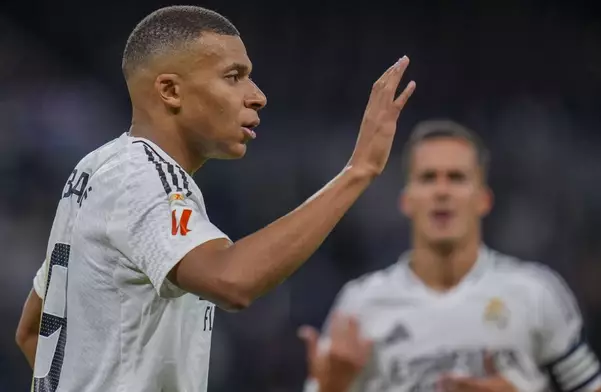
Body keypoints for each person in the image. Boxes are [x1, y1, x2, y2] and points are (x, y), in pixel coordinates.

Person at [14, 5, 416, 392]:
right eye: (233, 76)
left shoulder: (97, 169)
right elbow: (231, 281)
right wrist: (357, 171)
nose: (257, 96)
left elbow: (32, 330)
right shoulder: (142, 178)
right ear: (170, 90)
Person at [299, 120, 601, 392]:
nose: (442, 191)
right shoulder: (359, 306)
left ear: (484, 199)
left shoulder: (537, 294)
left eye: (457, 178)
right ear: (407, 200)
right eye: (428, 178)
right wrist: (331, 388)